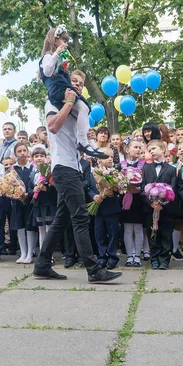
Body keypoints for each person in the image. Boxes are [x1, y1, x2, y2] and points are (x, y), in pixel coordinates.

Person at [34, 85, 121, 283]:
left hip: (73, 167)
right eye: (74, 81)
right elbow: (53, 127)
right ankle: (94, 270)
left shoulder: (76, 112)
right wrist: (70, 103)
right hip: (64, 168)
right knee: (81, 218)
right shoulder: (54, 103)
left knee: (61, 220)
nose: (78, 86)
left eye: (81, 83)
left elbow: (76, 143)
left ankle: (42, 265)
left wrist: (86, 140)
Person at [39, 25, 106, 159]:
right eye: (64, 40)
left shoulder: (57, 59)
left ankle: (89, 143)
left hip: (63, 87)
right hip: (58, 90)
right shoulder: (48, 56)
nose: (66, 44)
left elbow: (58, 71)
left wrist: (63, 66)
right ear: (55, 40)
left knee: (84, 109)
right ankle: (83, 143)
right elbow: (47, 71)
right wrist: (57, 53)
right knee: (83, 107)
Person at [142, 139, 177, 270]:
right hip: (150, 208)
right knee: (152, 234)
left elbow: (173, 188)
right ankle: (154, 259)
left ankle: (164, 260)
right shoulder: (146, 168)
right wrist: (151, 203)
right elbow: (142, 188)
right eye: (149, 150)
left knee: (166, 234)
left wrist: (163, 203)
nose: (151, 152)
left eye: (154, 149)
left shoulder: (171, 169)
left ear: (163, 149)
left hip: (166, 208)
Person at [88, 147, 121, 269]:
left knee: (113, 233)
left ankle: (112, 257)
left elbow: (121, 188)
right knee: (99, 233)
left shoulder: (115, 172)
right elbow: (89, 188)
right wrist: (94, 196)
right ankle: (102, 257)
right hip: (98, 209)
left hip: (111, 208)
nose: (110, 159)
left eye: (112, 156)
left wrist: (112, 193)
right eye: (107, 156)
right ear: (99, 158)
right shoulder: (93, 173)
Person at [120, 139, 145, 267]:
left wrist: (140, 189)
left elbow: (147, 181)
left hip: (139, 199)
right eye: (135, 147)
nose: (138, 149)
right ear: (127, 149)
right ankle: (130, 255)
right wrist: (124, 187)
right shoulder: (121, 165)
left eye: (140, 147)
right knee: (128, 228)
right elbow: (117, 182)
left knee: (139, 228)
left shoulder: (144, 164)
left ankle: (138, 256)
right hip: (126, 199)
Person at [10, 143, 37, 264]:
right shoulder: (12, 169)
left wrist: (28, 194)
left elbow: (35, 184)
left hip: (30, 201)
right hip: (17, 202)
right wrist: (14, 193)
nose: (22, 153)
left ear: (28, 152)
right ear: (15, 153)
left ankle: (30, 252)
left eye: (24, 150)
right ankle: (23, 252)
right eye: (19, 151)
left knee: (30, 227)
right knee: (20, 227)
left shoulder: (32, 168)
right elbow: (8, 185)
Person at [29, 147, 56, 255]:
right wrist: (33, 190)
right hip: (38, 203)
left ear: (46, 158)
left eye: (41, 156)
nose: (39, 158)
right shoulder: (32, 173)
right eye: (36, 156)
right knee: (41, 230)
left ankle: (50, 255)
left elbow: (55, 189)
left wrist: (46, 189)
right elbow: (29, 188)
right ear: (32, 158)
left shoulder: (50, 171)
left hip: (48, 203)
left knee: (50, 229)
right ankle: (42, 254)